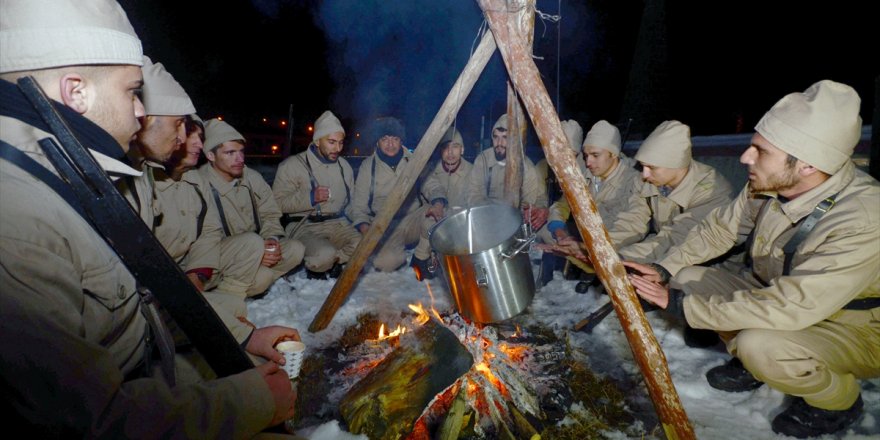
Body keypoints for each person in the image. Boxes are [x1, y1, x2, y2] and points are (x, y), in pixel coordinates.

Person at [0, 0, 297, 436]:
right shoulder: (19, 216)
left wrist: (243, 337)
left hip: (141, 370)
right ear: (75, 91)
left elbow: (148, 300)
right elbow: (85, 423)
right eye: (132, 91)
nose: (141, 113)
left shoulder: (80, 177)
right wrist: (248, 403)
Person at [625, 80, 879, 438]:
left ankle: (838, 402)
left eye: (760, 151)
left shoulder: (864, 218)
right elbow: (719, 232)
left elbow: (793, 306)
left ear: (806, 165)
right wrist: (664, 270)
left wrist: (686, 309)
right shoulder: (768, 186)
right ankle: (752, 363)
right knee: (688, 277)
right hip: (779, 292)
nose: (746, 157)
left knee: (758, 343)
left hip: (851, 325)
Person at [197, 118, 305, 296]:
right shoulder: (198, 184)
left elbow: (270, 213)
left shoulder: (251, 177)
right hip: (220, 259)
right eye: (230, 153)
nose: (239, 159)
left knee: (295, 249)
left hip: (256, 245)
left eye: (241, 151)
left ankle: (250, 280)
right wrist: (253, 253)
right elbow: (203, 244)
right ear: (210, 156)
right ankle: (224, 295)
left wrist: (271, 240)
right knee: (262, 276)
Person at [614, 120, 735, 263]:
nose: (645, 174)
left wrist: (622, 258)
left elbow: (678, 237)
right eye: (643, 166)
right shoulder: (647, 180)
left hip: (702, 260)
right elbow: (632, 221)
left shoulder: (713, 190)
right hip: (660, 249)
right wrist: (604, 248)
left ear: (676, 164)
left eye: (652, 167)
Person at [273, 110, 360, 279]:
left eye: (341, 143)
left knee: (365, 244)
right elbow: (277, 203)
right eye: (332, 142)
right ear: (317, 141)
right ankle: (319, 263)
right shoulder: (292, 165)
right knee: (323, 255)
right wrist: (309, 197)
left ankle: (335, 260)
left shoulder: (344, 167)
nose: (338, 148)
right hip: (305, 225)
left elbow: (351, 203)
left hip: (338, 224)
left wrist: (363, 221)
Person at [350, 116, 433, 274]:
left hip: (411, 221)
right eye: (385, 139)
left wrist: (437, 202)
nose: (390, 144)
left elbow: (431, 184)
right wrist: (365, 228)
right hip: (384, 225)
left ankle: (421, 257)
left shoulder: (414, 160)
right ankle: (390, 254)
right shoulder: (368, 167)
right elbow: (359, 206)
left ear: (401, 141)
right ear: (378, 142)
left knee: (437, 215)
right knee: (386, 263)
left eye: (395, 139)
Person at [547, 120, 643, 247]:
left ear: (614, 154)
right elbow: (564, 203)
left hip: (617, 247)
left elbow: (633, 227)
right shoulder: (586, 175)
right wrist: (559, 231)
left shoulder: (634, 181)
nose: (588, 162)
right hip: (589, 240)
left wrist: (587, 246)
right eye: (586, 156)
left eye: (595, 155)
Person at [465, 114, 549, 231]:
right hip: (485, 216)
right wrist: (490, 212)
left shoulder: (526, 166)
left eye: (505, 137)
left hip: (513, 221)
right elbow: (473, 194)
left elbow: (529, 202)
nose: (499, 143)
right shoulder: (483, 159)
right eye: (496, 137)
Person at [415, 126, 474, 277]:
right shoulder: (430, 169)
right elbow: (429, 187)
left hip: (460, 220)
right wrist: (438, 206)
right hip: (434, 217)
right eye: (446, 147)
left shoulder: (473, 172)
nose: (450, 152)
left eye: (455, 147)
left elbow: (475, 200)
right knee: (428, 216)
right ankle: (421, 259)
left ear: (462, 150)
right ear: (440, 151)